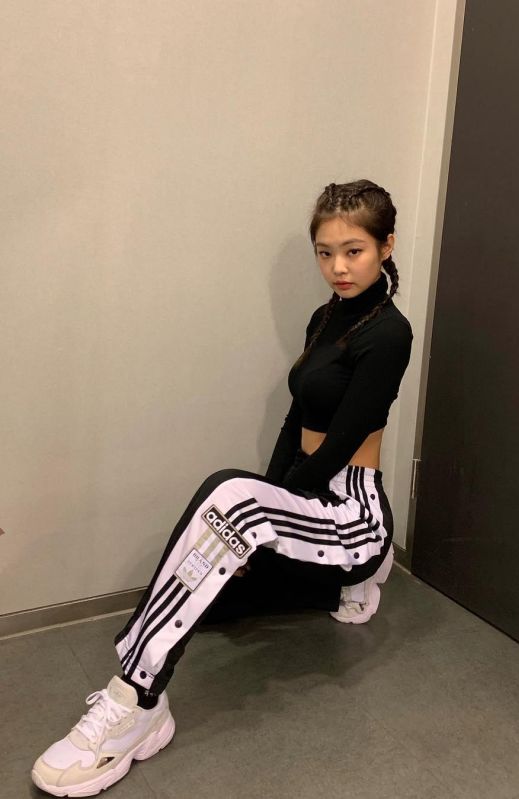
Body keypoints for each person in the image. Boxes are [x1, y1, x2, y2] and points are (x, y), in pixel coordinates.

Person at [31, 178, 413, 797]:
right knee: (214, 603)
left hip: (350, 511)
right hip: (307, 497)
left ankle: (136, 702)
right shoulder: (323, 319)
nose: (338, 268)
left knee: (229, 496)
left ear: (385, 247)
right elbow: (296, 422)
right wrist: (268, 507)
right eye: (325, 252)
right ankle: (332, 586)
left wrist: (262, 518)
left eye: (354, 251)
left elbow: (339, 446)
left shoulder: (389, 335)